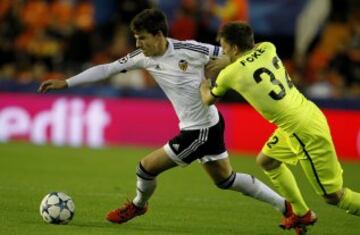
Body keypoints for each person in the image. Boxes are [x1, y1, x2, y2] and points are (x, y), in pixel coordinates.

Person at [38, 8, 294, 230]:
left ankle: (138, 206)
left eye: (142, 38)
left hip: (201, 129)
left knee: (145, 167)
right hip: (206, 124)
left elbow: (238, 54)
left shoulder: (190, 50)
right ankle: (287, 207)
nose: (138, 44)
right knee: (225, 180)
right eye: (136, 38)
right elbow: (107, 68)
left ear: (159, 36)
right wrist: (67, 82)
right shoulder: (143, 57)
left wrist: (225, 62)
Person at [200, 21, 360, 233]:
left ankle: (305, 213)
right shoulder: (268, 47)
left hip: (301, 129)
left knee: (333, 195)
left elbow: (208, 100)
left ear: (235, 48)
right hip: (304, 114)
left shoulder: (229, 74)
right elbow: (251, 52)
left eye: (225, 46)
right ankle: (302, 214)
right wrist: (231, 60)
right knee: (267, 161)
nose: (223, 51)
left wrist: (203, 84)